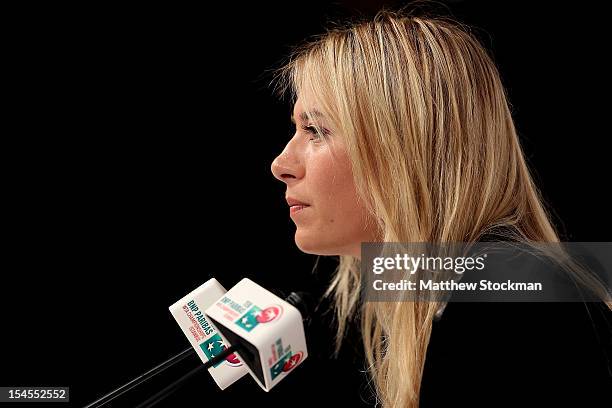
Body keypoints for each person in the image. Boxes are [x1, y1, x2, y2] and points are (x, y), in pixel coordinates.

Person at [270, 8, 611, 407]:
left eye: (316, 130)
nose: (281, 166)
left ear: (404, 147)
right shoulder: (459, 289)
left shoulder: (508, 294)